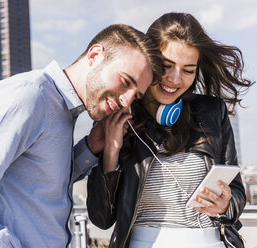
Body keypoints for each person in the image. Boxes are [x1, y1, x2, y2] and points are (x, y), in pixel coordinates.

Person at [0, 24, 163, 248]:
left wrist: (91, 147)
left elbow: (37, 183)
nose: (126, 101)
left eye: (136, 96)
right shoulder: (29, 96)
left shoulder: (62, 110)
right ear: (94, 55)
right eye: (125, 82)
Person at [87, 13, 254, 248]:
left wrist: (225, 204)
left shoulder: (212, 111)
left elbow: (236, 193)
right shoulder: (118, 115)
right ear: (149, 60)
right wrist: (111, 152)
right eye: (166, 66)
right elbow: (101, 219)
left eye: (188, 70)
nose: (175, 79)